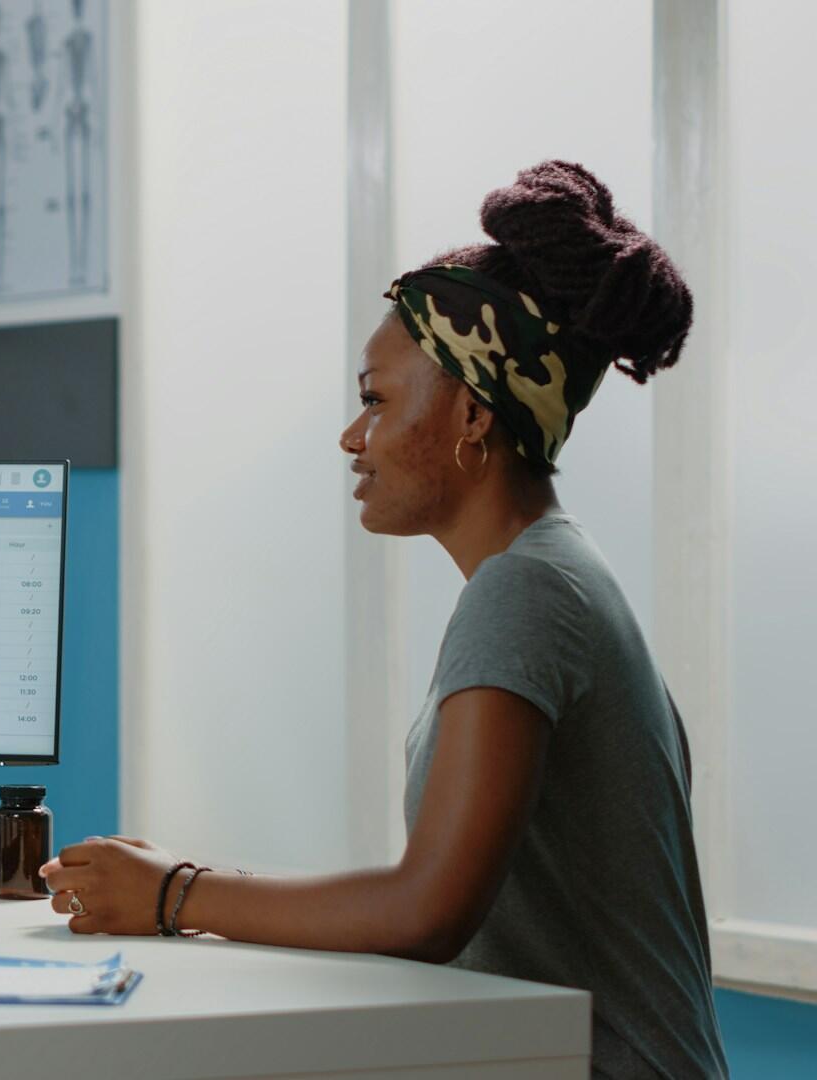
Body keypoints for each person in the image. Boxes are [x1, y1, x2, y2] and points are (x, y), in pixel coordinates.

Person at [41, 162, 727, 1077]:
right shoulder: (550, 574)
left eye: (375, 399)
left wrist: (176, 894)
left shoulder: (527, 591)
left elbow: (426, 910)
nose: (351, 435)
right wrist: (190, 885)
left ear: (473, 416)